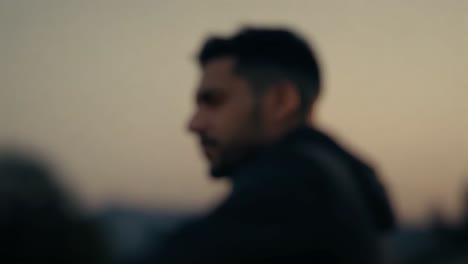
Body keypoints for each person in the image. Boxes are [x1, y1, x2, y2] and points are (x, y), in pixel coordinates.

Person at [154, 27, 395, 264]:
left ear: (281, 102)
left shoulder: (296, 187)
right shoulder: (332, 183)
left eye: (213, 101)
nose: (194, 124)